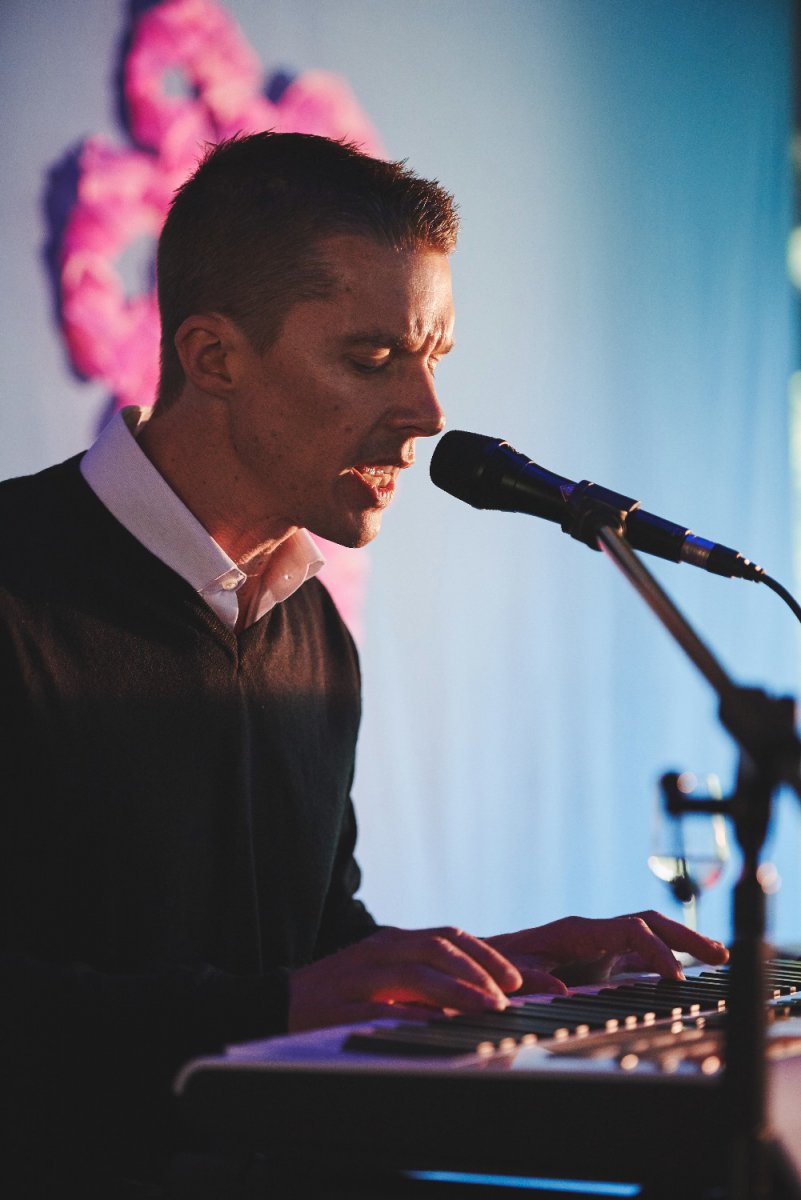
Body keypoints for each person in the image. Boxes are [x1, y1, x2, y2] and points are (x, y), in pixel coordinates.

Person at [0, 132, 727, 1195]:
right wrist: (279, 1006)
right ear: (213, 358)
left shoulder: (309, 626)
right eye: (372, 358)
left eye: (434, 357)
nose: (428, 414)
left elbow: (307, 948)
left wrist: (506, 970)